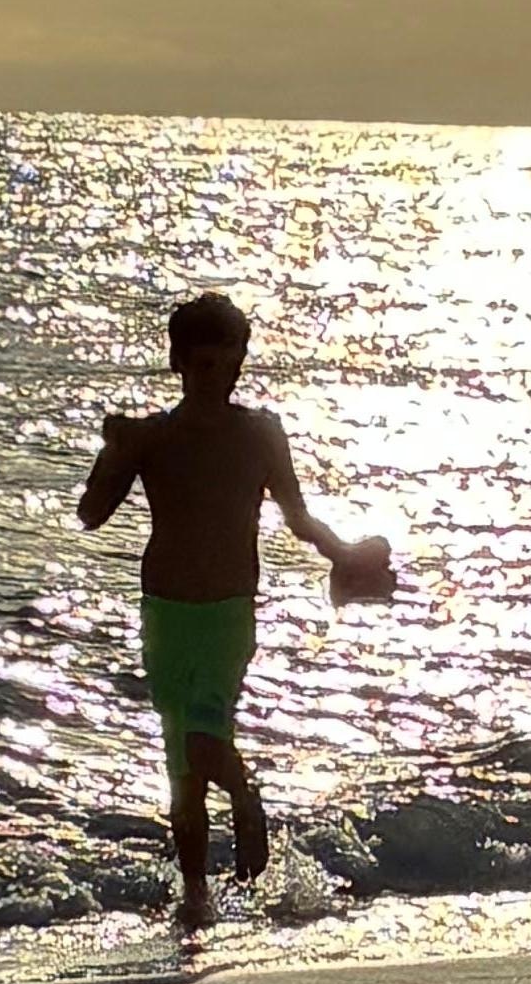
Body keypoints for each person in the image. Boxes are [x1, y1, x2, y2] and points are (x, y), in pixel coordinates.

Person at [77, 289, 379, 937]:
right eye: (200, 364)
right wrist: (115, 452)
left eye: (225, 361)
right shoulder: (153, 438)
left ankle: (247, 797)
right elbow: (91, 515)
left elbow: (296, 518)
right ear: (177, 364)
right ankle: (195, 898)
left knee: (206, 739)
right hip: (164, 612)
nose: (214, 375)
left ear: (240, 361)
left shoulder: (260, 434)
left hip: (227, 613)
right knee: (182, 773)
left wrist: (342, 553)